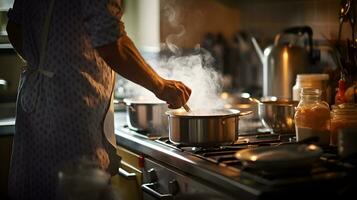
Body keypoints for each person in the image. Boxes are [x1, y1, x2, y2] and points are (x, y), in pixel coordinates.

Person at [6, 0, 191, 199]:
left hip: (34, 102)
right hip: (73, 108)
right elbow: (112, 44)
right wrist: (161, 86)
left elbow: (14, 28)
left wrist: (47, 64)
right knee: (81, 185)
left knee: (38, 184)